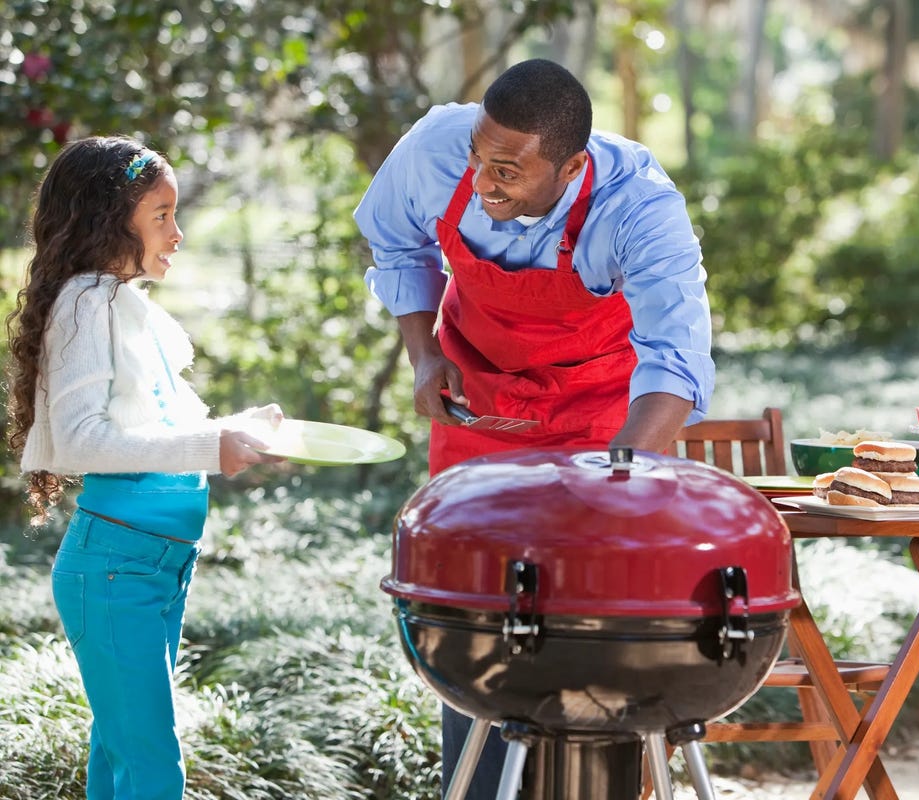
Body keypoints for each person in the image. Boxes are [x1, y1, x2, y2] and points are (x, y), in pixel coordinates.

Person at [354, 59, 715, 798]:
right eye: (480, 160)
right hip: (478, 403)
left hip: (600, 416)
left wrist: (625, 479)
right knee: (475, 609)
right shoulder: (433, 148)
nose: (486, 184)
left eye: (510, 173)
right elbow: (397, 243)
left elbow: (675, 361)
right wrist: (425, 357)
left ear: (573, 165)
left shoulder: (640, 206)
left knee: (592, 611)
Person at [4, 135, 285, 800]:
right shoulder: (85, 304)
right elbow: (78, 441)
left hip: (155, 563)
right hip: (115, 568)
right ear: (108, 220)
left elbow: (152, 428)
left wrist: (230, 431)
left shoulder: (121, 305)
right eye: (160, 215)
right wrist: (210, 448)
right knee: (154, 769)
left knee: (122, 757)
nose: (178, 233)